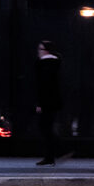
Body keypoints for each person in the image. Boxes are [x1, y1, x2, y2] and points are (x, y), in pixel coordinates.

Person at [35, 39, 62, 167]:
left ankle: (51, 155)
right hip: (53, 101)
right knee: (48, 127)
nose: (38, 52)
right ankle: (51, 155)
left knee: (46, 128)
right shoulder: (55, 64)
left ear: (46, 51)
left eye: (40, 49)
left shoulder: (46, 65)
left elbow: (44, 86)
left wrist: (40, 103)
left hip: (47, 101)